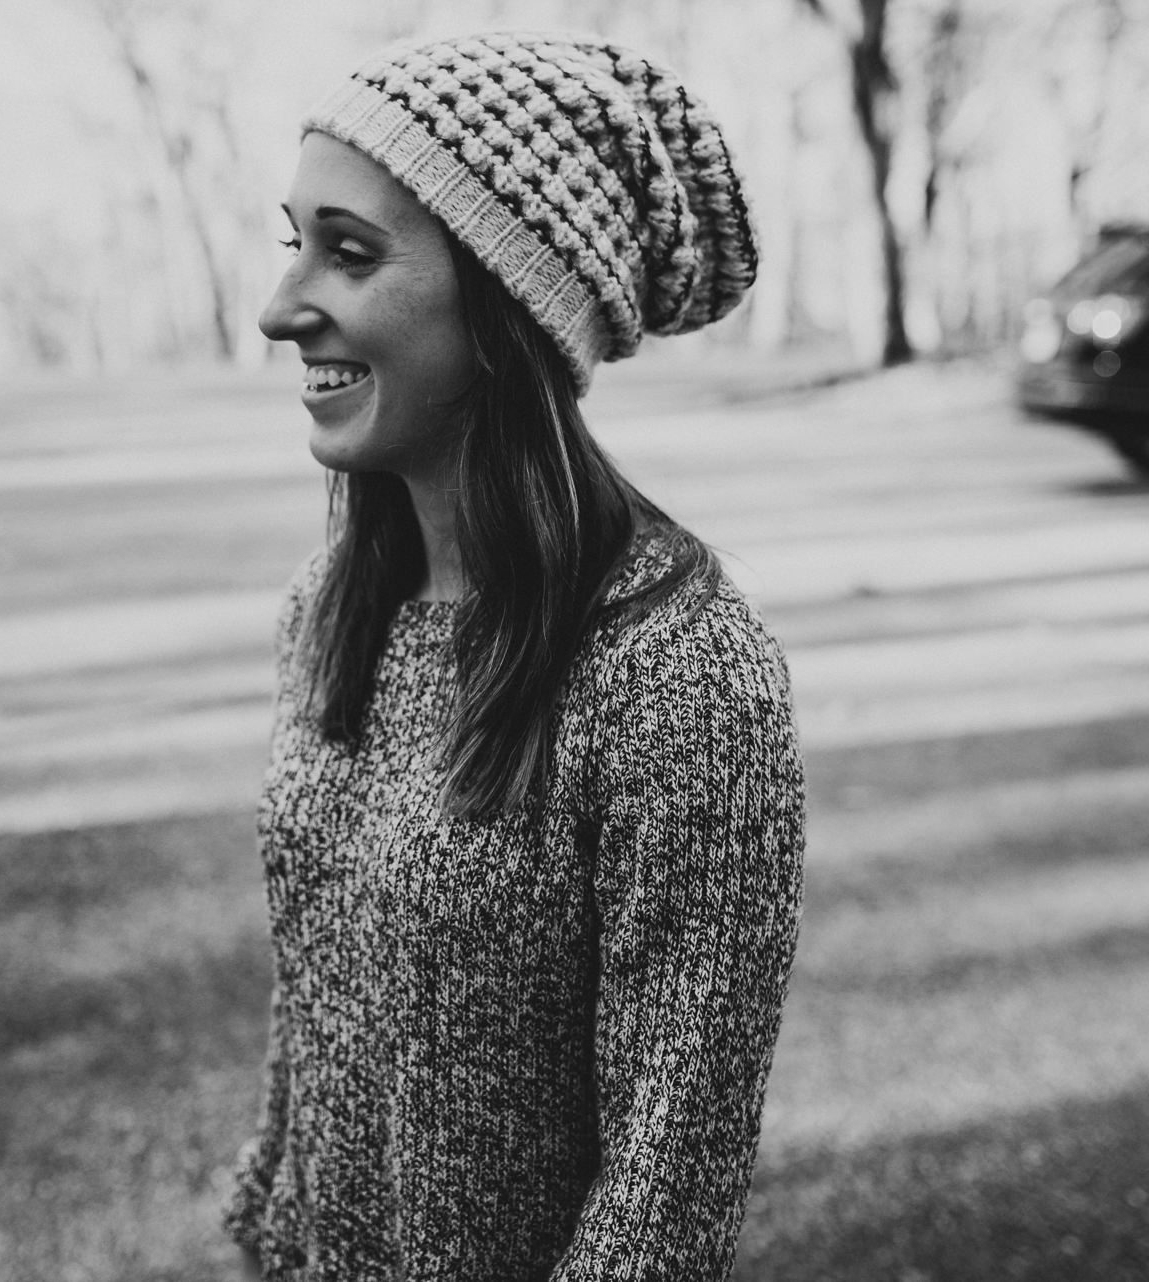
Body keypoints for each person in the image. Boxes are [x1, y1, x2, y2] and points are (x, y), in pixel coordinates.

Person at [223, 32, 806, 1282]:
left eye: (353, 252)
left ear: (505, 302)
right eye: (296, 243)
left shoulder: (678, 672)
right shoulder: (331, 605)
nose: (281, 308)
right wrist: (276, 1232)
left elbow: (668, 1185)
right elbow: (319, 990)